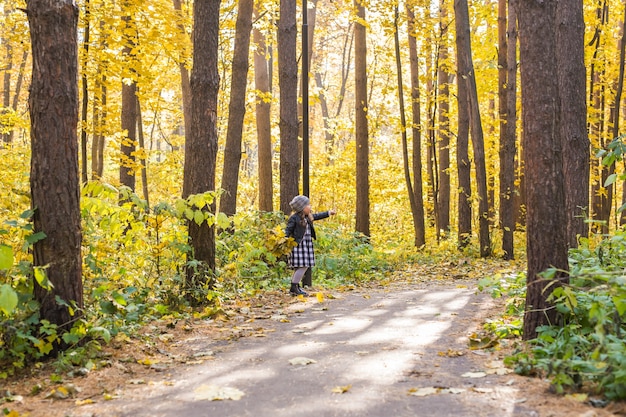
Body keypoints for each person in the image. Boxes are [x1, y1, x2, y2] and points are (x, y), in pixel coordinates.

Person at [284, 195, 336, 296]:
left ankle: (295, 287)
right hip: (298, 246)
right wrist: (283, 239)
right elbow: (288, 230)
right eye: (308, 205)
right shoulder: (294, 218)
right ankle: (294, 287)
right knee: (303, 266)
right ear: (301, 207)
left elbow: (317, 216)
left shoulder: (308, 217)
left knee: (302, 266)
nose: (310, 207)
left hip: (306, 246)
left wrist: (329, 213)